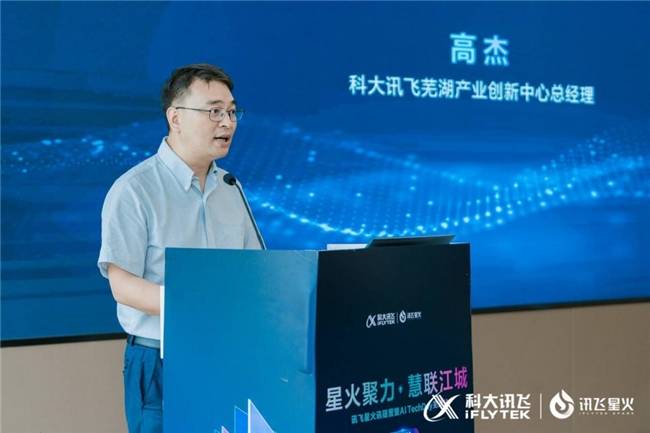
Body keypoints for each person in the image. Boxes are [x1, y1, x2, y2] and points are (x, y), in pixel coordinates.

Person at [98, 63, 263, 433]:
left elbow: (255, 269)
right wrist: (192, 305)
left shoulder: (231, 189)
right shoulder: (134, 190)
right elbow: (122, 286)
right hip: (160, 358)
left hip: (225, 351)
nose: (227, 123)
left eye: (232, 112)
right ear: (175, 118)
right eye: (214, 111)